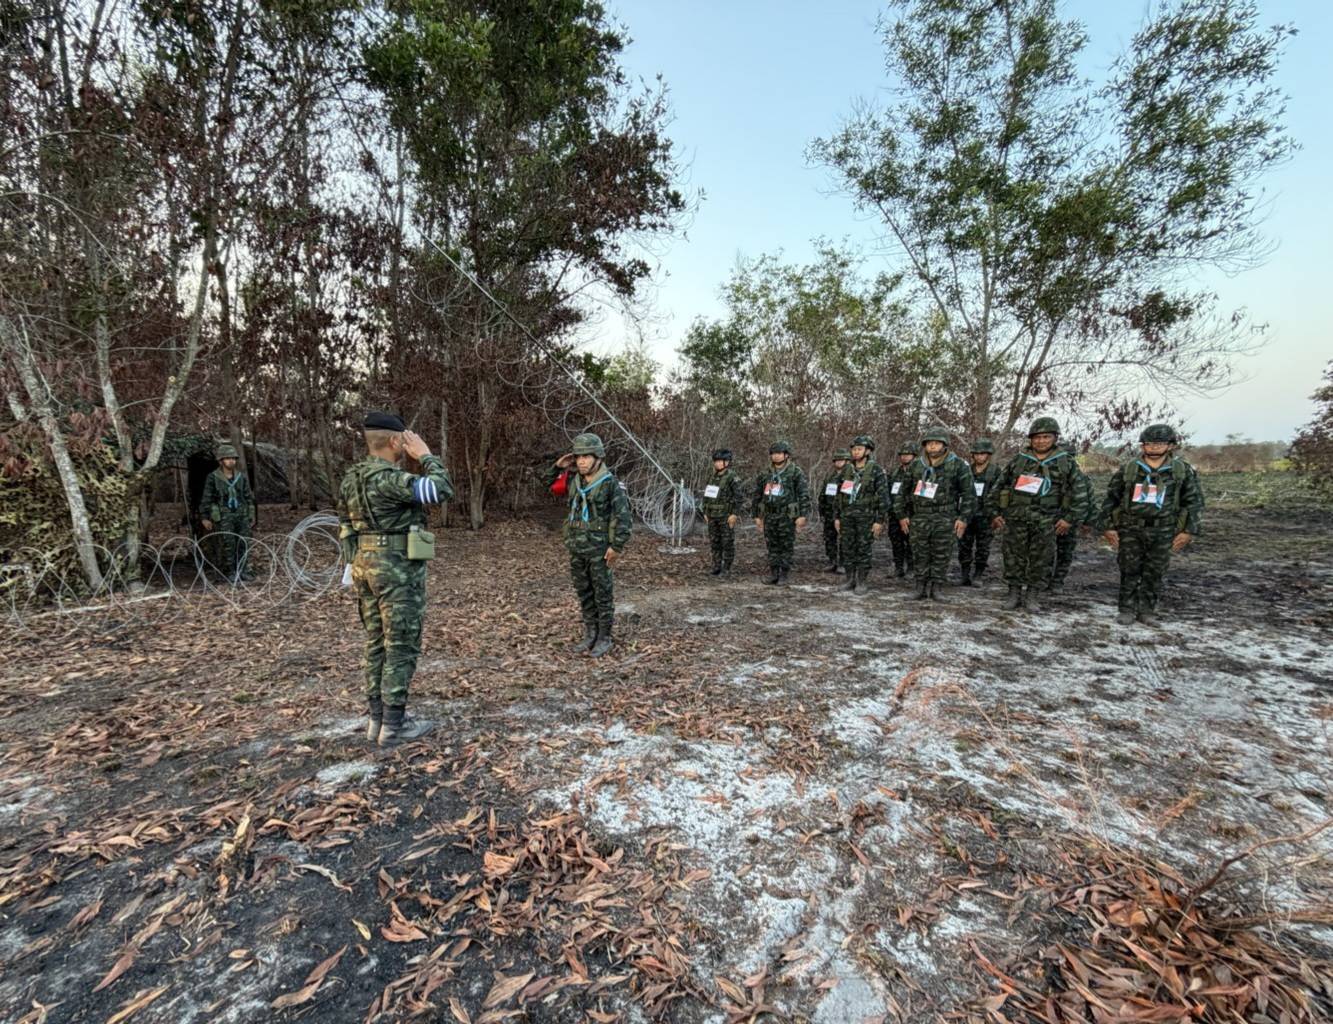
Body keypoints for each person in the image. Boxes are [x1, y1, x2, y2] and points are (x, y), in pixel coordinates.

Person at [338, 412, 453, 747]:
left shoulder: (351, 479)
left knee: (376, 642)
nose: (407, 444)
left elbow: (345, 526)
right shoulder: (389, 479)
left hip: (365, 565)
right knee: (401, 643)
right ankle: (394, 725)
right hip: (396, 569)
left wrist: (355, 565)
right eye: (404, 440)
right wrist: (426, 455)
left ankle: (377, 719)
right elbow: (440, 489)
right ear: (393, 441)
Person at [1098, 423, 1204, 627]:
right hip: (1131, 527)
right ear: (1142, 446)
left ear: (1170, 446)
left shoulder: (1181, 471)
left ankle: (1147, 610)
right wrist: (1108, 527)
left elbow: (1194, 502)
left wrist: (1189, 531)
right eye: (1149, 443)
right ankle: (1127, 609)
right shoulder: (1130, 469)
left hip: (1164, 529)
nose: (1154, 447)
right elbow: (1111, 498)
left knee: (1155, 570)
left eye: (1159, 443)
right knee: (1129, 569)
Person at [543, 432, 633, 656]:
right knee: (584, 591)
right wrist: (558, 466)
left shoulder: (610, 484)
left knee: (602, 593)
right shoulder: (574, 480)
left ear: (598, 458)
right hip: (577, 547)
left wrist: (617, 546)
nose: (581, 461)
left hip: (600, 550)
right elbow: (547, 484)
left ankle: (604, 636)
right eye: (578, 457)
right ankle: (590, 632)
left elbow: (623, 518)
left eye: (586, 456)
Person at [992, 417, 1088, 612]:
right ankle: (1013, 593)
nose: (1041, 441)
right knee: (1012, 557)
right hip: (1017, 518)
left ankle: (1032, 595)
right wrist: (995, 513)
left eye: (1046, 437)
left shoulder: (1065, 463)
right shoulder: (1019, 460)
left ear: (1055, 438)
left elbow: (1080, 494)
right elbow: (999, 486)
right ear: (1031, 439)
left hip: (1047, 520)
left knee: (1041, 559)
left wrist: (1069, 519)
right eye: (1037, 437)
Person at [893, 429, 975, 601]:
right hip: (920, 517)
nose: (932, 446)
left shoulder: (958, 465)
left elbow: (969, 494)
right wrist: (901, 515)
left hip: (945, 517)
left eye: (937, 443)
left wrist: (963, 518)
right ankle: (920, 587)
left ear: (944, 445)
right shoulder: (917, 465)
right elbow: (902, 492)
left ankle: (937, 588)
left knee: (941, 554)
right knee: (919, 553)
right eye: (929, 443)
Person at [834, 434, 889, 594]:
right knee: (847, 548)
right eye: (854, 449)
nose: (856, 452)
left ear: (868, 451)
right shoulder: (847, 470)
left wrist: (879, 520)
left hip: (866, 517)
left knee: (863, 549)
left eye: (859, 449)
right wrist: (837, 517)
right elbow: (838, 495)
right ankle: (850, 579)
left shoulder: (876, 470)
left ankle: (861, 581)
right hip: (847, 516)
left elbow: (883, 498)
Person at [751, 440, 810, 585]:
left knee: (785, 545)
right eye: (773, 453)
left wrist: (802, 515)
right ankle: (774, 573)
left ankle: (784, 574)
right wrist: (756, 515)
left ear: (786, 455)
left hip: (787, 516)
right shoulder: (765, 473)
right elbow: (757, 495)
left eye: (779, 453)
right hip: (770, 515)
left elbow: (803, 494)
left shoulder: (795, 472)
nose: (776, 456)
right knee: (772, 544)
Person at [199, 442, 257, 581]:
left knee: (243, 542)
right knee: (227, 544)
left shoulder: (241, 477)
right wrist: (205, 517)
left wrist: (251, 514)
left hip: (241, 513)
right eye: (227, 458)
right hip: (223, 514)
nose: (231, 461)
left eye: (233, 458)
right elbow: (207, 498)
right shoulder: (213, 477)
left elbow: (248, 496)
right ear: (221, 461)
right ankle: (229, 571)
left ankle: (243, 570)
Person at [1049, 441, 1095, 592]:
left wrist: (1087, 522)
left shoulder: (1082, 478)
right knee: (1044, 553)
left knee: (1065, 552)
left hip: (1070, 521)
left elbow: (1089, 501)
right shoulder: (1048, 474)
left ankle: (1058, 581)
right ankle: (1043, 579)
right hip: (1047, 519)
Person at [958, 438, 1001, 586]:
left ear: (988, 455)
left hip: (986, 515)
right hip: (967, 514)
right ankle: (964, 573)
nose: (979, 457)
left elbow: (1001, 494)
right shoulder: (966, 470)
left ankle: (978, 574)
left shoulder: (995, 471)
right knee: (964, 545)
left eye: (983, 454)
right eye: (976, 454)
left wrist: (997, 515)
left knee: (983, 546)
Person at [699, 448, 745, 576]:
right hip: (712, 516)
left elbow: (739, 497)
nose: (718, 464)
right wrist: (705, 511)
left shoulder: (732, 477)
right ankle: (716, 566)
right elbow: (707, 496)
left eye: (720, 461)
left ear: (727, 462)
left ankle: (726, 568)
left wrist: (734, 514)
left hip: (726, 516)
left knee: (727, 543)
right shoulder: (712, 477)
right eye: (716, 461)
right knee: (715, 542)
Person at [887, 443, 917, 578]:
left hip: (912, 514)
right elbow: (888, 492)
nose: (905, 457)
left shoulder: (919, 472)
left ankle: (911, 567)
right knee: (896, 541)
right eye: (902, 455)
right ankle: (898, 567)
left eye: (908, 454)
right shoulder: (894, 473)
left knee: (912, 542)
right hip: (895, 513)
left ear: (914, 456)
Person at [819, 449, 851, 573]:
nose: (838, 462)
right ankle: (832, 561)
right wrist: (822, 509)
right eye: (836, 460)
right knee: (829, 538)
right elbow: (823, 493)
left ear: (847, 461)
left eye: (841, 460)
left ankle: (843, 563)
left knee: (844, 538)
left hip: (843, 513)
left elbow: (847, 496)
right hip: (829, 512)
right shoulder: (830, 476)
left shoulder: (849, 476)